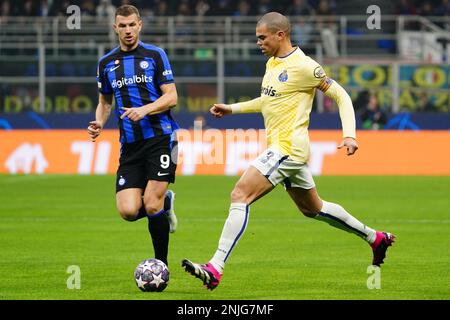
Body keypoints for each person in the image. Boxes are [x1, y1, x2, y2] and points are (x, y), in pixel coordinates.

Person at [182, 12, 395, 290]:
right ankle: (375, 238)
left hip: (288, 149)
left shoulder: (305, 66)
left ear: (280, 35)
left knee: (240, 194)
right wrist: (232, 108)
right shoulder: (272, 63)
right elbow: (268, 101)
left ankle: (216, 266)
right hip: (282, 150)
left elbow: (341, 95)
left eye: (262, 37)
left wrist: (350, 135)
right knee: (313, 208)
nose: (258, 42)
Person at [87, 5, 179, 267]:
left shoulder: (155, 55)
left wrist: (145, 110)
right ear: (115, 27)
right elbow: (105, 102)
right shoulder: (106, 63)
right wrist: (99, 122)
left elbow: (172, 96)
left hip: (161, 138)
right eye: (122, 26)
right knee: (128, 211)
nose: (128, 30)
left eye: (132, 25)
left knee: (151, 204)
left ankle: (161, 265)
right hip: (130, 145)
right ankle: (166, 204)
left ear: (140, 25)